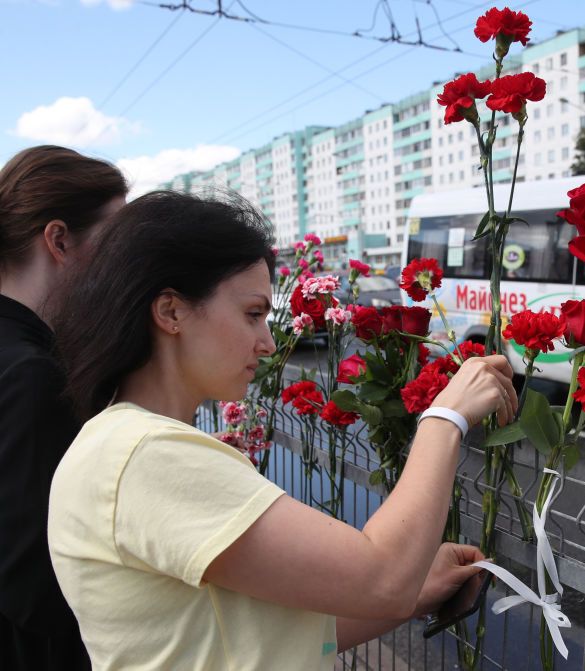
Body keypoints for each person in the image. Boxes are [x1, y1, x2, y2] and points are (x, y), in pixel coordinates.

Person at [47, 191, 517, 670]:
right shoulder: (145, 455)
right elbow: (383, 577)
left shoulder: (122, 444)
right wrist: (446, 417)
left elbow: (266, 638)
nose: (269, 342)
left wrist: (414, 594)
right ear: (170, 312)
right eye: (253, 313)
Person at [0, 145, 127, 670]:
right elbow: (41, 591)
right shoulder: (33, 375)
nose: (124, 264)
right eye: (114, 241)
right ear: (59, 240)